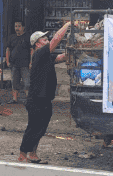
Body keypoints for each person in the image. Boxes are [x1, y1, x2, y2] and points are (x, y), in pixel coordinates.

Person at [17, 21, 74, 163]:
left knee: (40, 129)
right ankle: (23, 154)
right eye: (44, 39)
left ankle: (32, 154)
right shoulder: (39, 54)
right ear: (37, 43)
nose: (47, 40)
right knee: (33, 128)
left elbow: (61, 57)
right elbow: (55, 40)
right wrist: (67, 25)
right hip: (36, 99)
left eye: (46, 39)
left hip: (45, 99)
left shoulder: (46, 56)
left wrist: (74, 50)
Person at [5, 20, 31, 104]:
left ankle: (28, 99)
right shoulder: (12, 37)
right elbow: (8, 49)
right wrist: (7, 61)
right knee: (14, 82)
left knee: (26, 82)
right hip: (14, 64)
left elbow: (32, 50)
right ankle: (14, 99)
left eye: (19, 26)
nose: (17, 28)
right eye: (15, 26)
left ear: (23, 27)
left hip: (25, 64)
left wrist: (31, 62)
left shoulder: (27, 37)